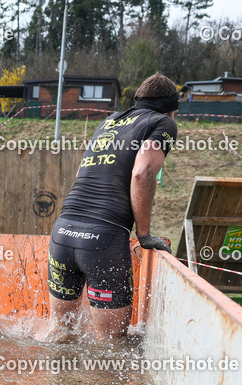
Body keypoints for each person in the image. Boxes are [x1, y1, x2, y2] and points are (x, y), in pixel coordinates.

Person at [44, 73, 178, 341]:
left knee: (59, 336)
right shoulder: (162, 122)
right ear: (172, 108)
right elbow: (142, 172)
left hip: (63, 232)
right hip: (102, 240)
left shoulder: (109, 121)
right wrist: (144, 235)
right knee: (113, 350)